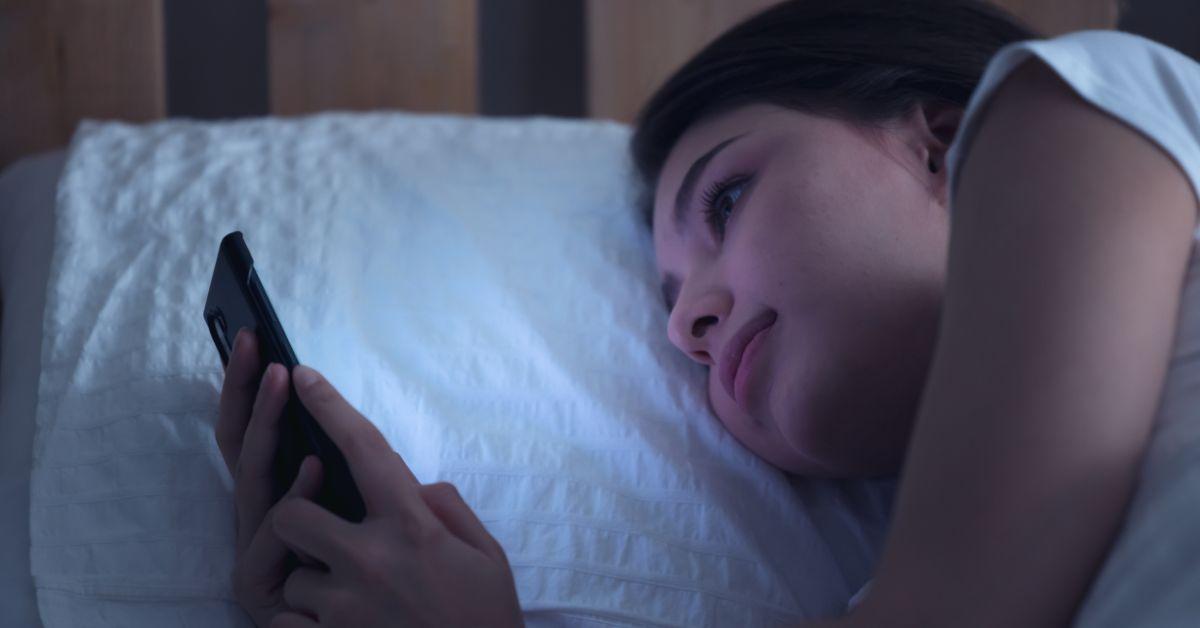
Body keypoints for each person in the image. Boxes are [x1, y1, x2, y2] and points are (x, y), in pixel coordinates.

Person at [213, 0, 1200, 626]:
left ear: (937, 139)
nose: (687, 328)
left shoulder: (1076, 115)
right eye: (675, 301)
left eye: (725, 202)